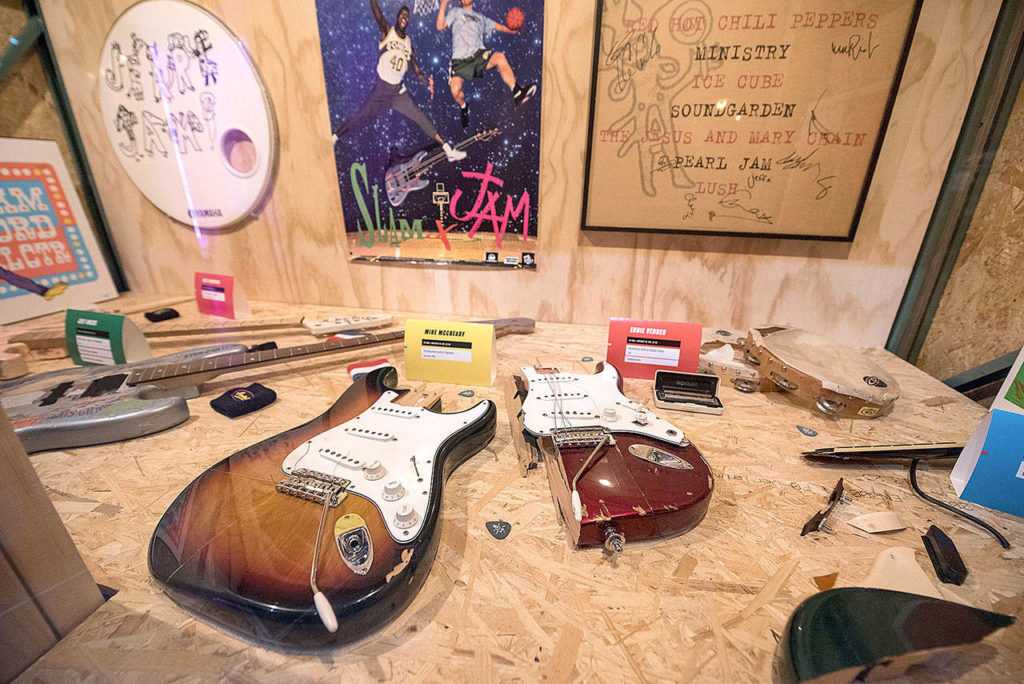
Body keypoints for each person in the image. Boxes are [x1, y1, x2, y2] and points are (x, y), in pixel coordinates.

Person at [338, 1, 466, 162]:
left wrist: (427, 82)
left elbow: (417, 73)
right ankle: (335, 136)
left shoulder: (408, 45)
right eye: (402, 14)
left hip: (398, 93)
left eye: (407, 15)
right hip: (381, 90)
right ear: (398, 17)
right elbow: (376, 11)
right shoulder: (387, 30)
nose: (405, 16)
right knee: (361, 115)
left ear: (408, 21)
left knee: (421, 117)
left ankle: (448, 150)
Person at [436, 0, 537, 128]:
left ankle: (517, 92)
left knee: (500, 57)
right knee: (455, 91)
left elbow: (498, 27)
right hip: (460, 60)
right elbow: (440, 26)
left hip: (478, 56)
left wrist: (511, 30)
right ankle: (464, 106)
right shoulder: (455, 12)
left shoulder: (480, 18)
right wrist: (444, 3)